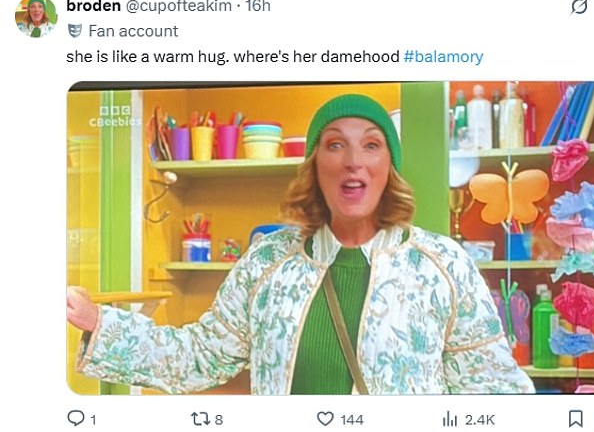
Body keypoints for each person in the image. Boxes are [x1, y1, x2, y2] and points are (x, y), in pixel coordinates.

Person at [67, 94, 535, 395]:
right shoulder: (267, 263)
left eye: (372, 145)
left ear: (389, 167)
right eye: (335, 145)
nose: (353, 161)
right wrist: (97, 322)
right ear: (314, 165)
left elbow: (494, 390)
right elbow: (198, 356)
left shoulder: (443, 264)